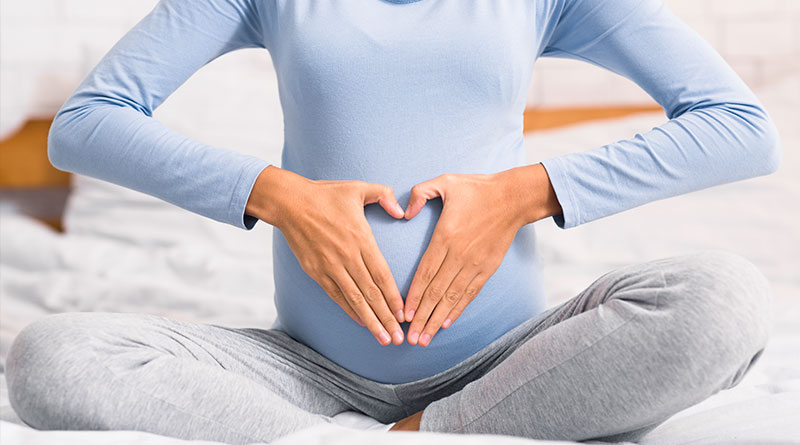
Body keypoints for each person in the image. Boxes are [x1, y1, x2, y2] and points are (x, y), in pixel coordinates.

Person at [6, 0, 781, 442]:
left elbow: (740, 126)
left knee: (724, 301)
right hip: (301, 373)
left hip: (513, 363)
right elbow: (86, 122)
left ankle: (422, 432)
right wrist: (277, 195)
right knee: (50, 355)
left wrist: (528, 191)